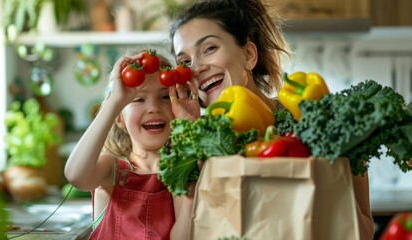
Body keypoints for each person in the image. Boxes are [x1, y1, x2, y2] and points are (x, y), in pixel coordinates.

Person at [167, 0, 375, 239]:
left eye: (209, 49)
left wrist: (328, 161)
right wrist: (192, 147)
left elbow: (364, 233)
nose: (197, 68)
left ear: (249, 55)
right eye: (185, 62)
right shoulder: (191, 142)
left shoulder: (315, 117)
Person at [64, 51, 200, 240]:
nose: (154, 108)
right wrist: (115, 102)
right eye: (138, 99)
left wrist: (191, 129)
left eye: (165, 97)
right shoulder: (111, 170)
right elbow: (75, 176)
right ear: (119, 117)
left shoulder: (182, 172)